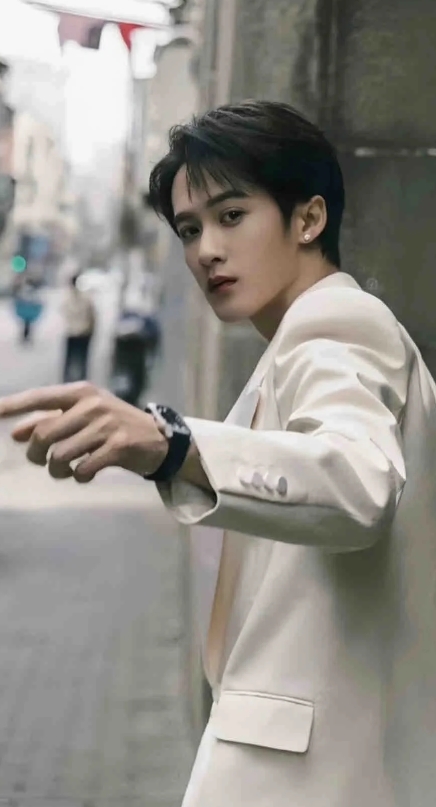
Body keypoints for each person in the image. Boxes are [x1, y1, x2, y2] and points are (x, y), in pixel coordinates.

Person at [0, 100, 435, 807]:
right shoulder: (287, 350)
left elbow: (359, 484)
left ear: (308, 219)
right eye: (190, 229)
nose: (206, 250)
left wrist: (173, 445)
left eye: (232, 216)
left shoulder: (337, 323)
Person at [61, 273, 96, 383]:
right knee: (82, 358)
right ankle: (81, 381)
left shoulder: (67, 296)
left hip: (71, 332)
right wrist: (92, 329)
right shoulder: (86, 296)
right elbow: (92, 315)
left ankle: (67, 381)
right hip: (83, 332)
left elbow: (64, 314)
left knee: (70, 359)